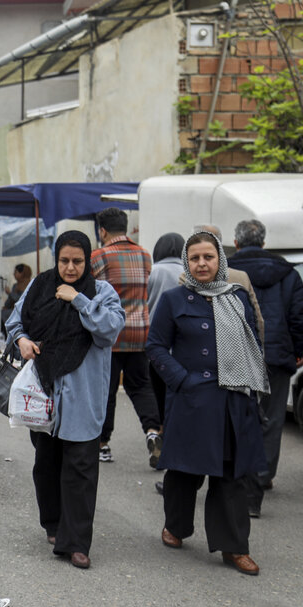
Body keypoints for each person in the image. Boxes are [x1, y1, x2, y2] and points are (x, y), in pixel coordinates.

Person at [147, 231, 269, 576]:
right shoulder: (173, 299)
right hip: (192, 400)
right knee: (184, 473)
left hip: (233, 401)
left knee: (231, 476)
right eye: (196, 257)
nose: (202, 263)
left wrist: (253, 384)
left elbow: (252, 341)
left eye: (209, 257)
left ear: (220, 261)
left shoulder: (237, 296)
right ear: (187, 261)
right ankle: (177, 526)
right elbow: (155, 346)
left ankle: (234, 547)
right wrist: (182, 380)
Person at [6, 231, 125, 569]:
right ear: (56, 260)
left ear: (88, 262)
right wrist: (23, 340)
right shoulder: (40, 286)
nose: (70, 268)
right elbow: (14, 322)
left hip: (83, 399)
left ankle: (76, 544)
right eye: (64, 261)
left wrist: (78, 300)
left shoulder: (102, 292)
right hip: (44, 395)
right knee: (47, 466)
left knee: (81, 470)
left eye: (78, 261)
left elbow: (110, 330)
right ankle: (54, 525)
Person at [227, 219, 303, 517]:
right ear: (264, 241)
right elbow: (299, 316)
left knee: (239, 416)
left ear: (236, 240)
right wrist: (298, 351)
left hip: (238, 355)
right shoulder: (288, 273)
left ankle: (238, 477)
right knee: (271, 421)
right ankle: (262, 477)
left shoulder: (227, 269)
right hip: (277, 356)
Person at [90, 207, 161, 466]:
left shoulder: (98, 256)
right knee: (141, 386)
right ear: (127, 228)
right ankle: (153, 431)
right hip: (140, 333)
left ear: (102, 231)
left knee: (106, 391)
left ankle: (103, 444)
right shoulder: (145, 255)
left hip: (110, 335)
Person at [146, 232, 185, 427]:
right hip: (183, 341)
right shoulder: (189, 272)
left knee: (158, 388)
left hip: (157, 339)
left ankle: (162, 427)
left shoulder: (152, 271)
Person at [0, 264, 32, 333]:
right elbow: (9, 302)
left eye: (16, 272)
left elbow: (21, 300)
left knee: (3, 315)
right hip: (13, 310)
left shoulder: (29, 285)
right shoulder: (15, 286)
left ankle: (7, 335)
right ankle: (1, 334)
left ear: (22, 273)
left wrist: (10, 293)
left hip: (23, 312)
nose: (13, 274)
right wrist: (6, 305)